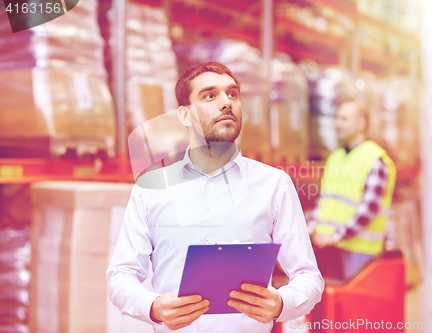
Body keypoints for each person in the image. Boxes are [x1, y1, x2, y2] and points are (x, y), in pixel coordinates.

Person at [106, 62, 324, 332]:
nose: (226, 103)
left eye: (232, 94)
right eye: (210, 95)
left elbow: (309, 277)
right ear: (185, 115)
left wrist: (282, 303)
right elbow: (121, 275)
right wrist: (153, 307)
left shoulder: (274, 184)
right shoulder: (151, 188)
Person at [308, 100, 397, 281]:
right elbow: (325, 201)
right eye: (337, 118)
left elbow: (369, 208)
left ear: (361, 123)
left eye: (344, 119)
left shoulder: (375, 158)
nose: (337, 123)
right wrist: (311, 229)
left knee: (354, 306)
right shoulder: (335, 158)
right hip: (329, 248)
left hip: (360, 251)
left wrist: (336, 236)